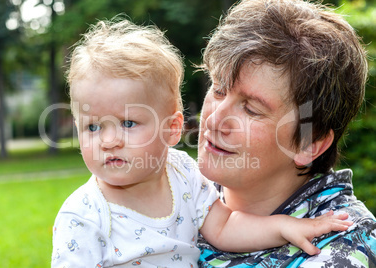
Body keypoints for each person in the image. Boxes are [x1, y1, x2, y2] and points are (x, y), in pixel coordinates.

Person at [51, 18, 352, 267]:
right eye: (92, 127)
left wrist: (285, 226)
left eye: (128, 123)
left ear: (172, 129)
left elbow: (225, 227)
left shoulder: (182, 175)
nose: (108, 141)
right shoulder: (85, 217)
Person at [196, 0, 376, 267]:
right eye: (219, 90)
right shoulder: (177, 190)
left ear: (309, 143)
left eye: (252, 110)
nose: (214, 119)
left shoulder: (344, 246)